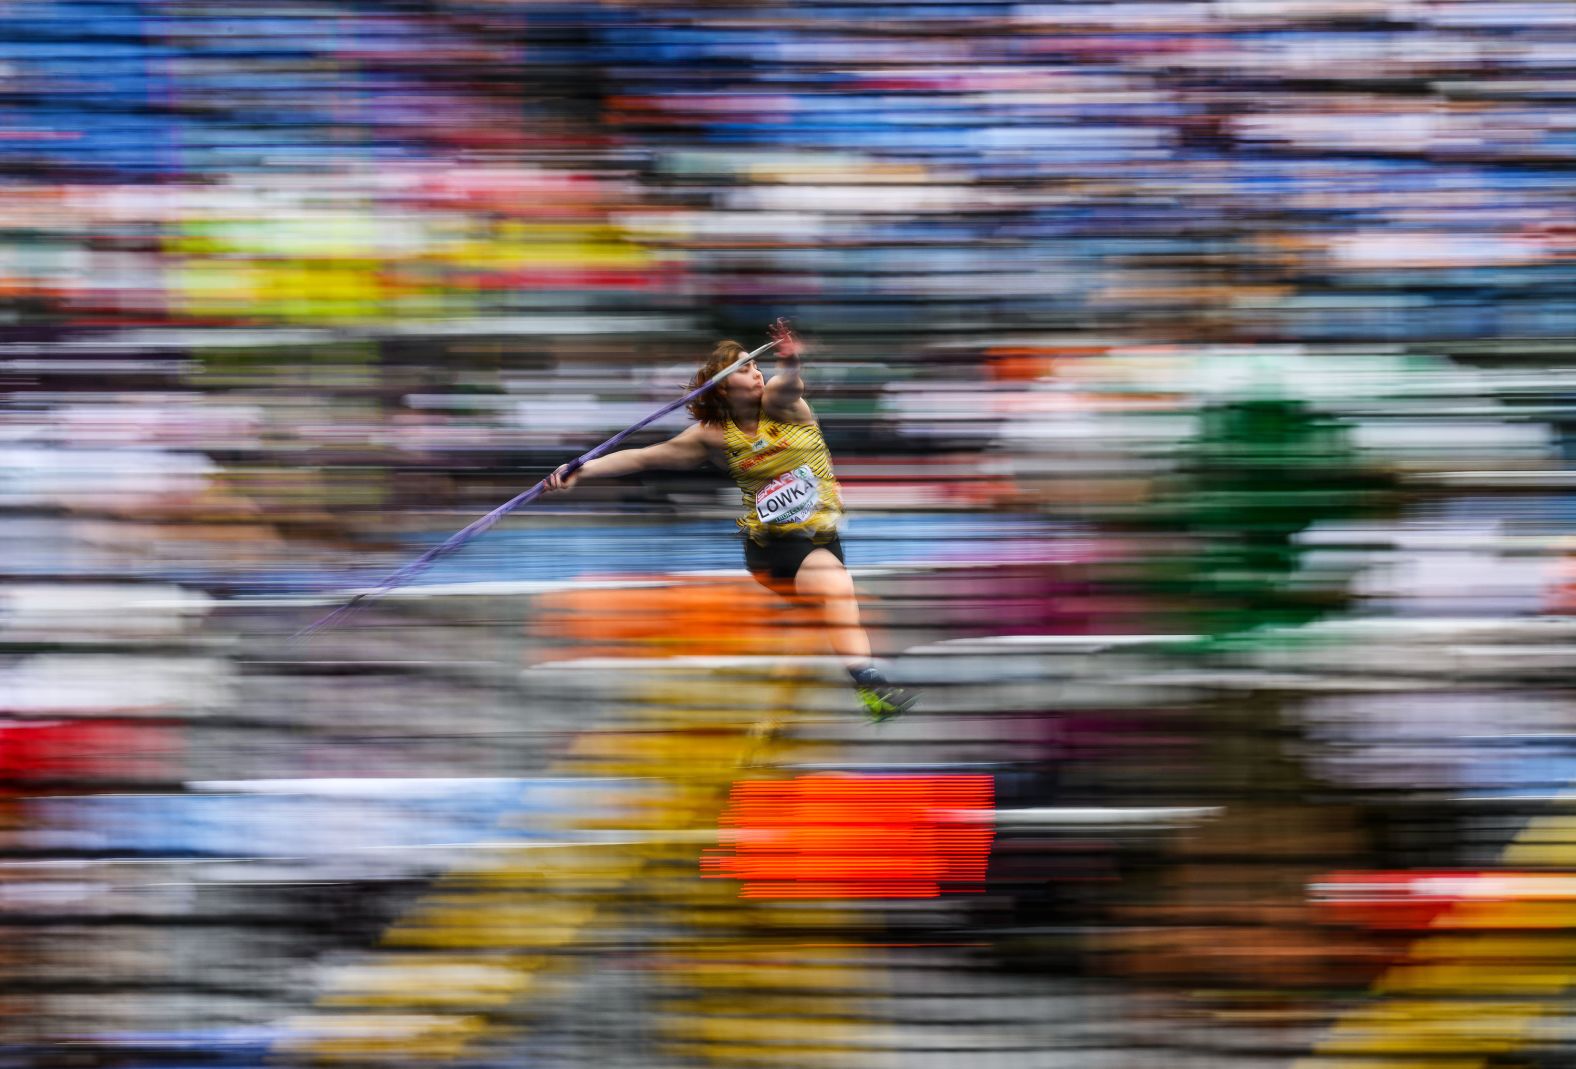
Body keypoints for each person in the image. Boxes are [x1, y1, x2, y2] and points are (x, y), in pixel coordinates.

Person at [545, 319, 917, 721]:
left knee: (833, 604)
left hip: (821, 535)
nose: (756, 371)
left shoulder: (780, 403)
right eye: (744, 368)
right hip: (773, 548)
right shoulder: (712, 436)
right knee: (836, 589)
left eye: (756, 365)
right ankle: (869, 682)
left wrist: (790, 361)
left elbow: (789, 384)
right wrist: (578, 470)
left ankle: (854, 690)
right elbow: (643, 457)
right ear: (722, 386)